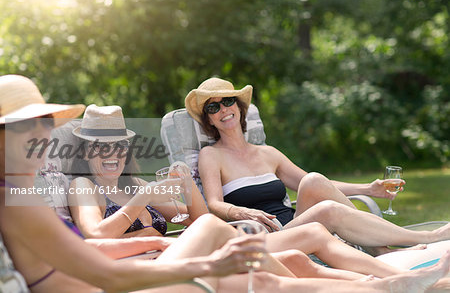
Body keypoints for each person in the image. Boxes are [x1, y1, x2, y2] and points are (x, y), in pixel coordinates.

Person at [1, 74, 450, 293]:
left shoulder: (25, 195)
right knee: (248, 263)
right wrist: (200, 263)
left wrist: (161, 233)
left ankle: (384, 284)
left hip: (134, 268)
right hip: (114, 287)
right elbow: (100, 267)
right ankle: (385, 283)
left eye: (45, 123)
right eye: (27, 127)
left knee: (286, 253)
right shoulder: (22, 201)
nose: (42, 135)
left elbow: (87, 252)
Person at [185, 77, 450, 256]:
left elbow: (319, 186)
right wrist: (241, 211)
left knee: (311, 179)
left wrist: (369, 189)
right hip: (268, 235)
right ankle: (423, 238)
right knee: (328, 209)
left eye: (228, 101)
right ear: (209, 120)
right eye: (213, 107)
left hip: (295, 222)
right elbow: (214, 204)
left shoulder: (268, 153)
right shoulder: (211, 155)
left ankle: (383, 250)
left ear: (240, 108)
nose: (223, 109)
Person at [68, 104, 208, 238]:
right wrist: (145, 196)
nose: (112, 152)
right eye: (100, 145)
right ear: (85, 153)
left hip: (164, 257)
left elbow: (200, 221)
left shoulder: (135, 185)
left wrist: (186, 180)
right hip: (135, 262)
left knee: (213, 227)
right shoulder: (82, 185)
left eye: (120, 144)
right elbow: (95, 235)